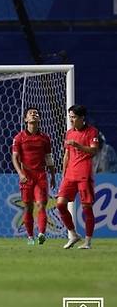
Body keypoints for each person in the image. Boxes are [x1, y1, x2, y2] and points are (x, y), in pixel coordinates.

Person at [11, 107, 56, 245]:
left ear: (39, 119)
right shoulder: (19, 138)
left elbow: (48, 157)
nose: (34, 115)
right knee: (28, 207)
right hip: (27, 176)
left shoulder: (45, 138)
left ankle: (42, 233)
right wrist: (20, 173)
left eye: (36, 113)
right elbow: (15, 157)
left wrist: (53, 175)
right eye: (31, 113)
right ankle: (30, 237)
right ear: (26, 119)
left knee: (41, 205)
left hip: (41, 175)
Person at [58, 105, 99, 249]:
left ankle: (87, 241)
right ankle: (74, 235)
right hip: (70, 175)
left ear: (82, 118)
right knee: (60, 204)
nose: (71, 120)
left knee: (87, 208)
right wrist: (63, 174)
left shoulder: (92, 131)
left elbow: (93, 151)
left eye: (74, 117)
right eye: (70, 117)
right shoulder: (69, 133)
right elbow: (67, 155)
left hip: (84, 175)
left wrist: (78, 145)